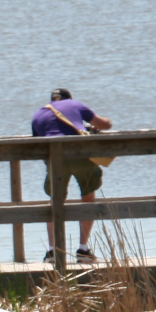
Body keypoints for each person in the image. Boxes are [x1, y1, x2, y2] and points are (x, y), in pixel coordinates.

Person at [32, 88, 113, 262]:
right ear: (69, 98)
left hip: (54, 159)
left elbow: (36, 144)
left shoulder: (38, 113)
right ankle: (83, 250)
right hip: (79, 155)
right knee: (88, 197)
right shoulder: (75, 104)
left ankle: (53, 252)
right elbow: (105, 125)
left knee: (55, 201)